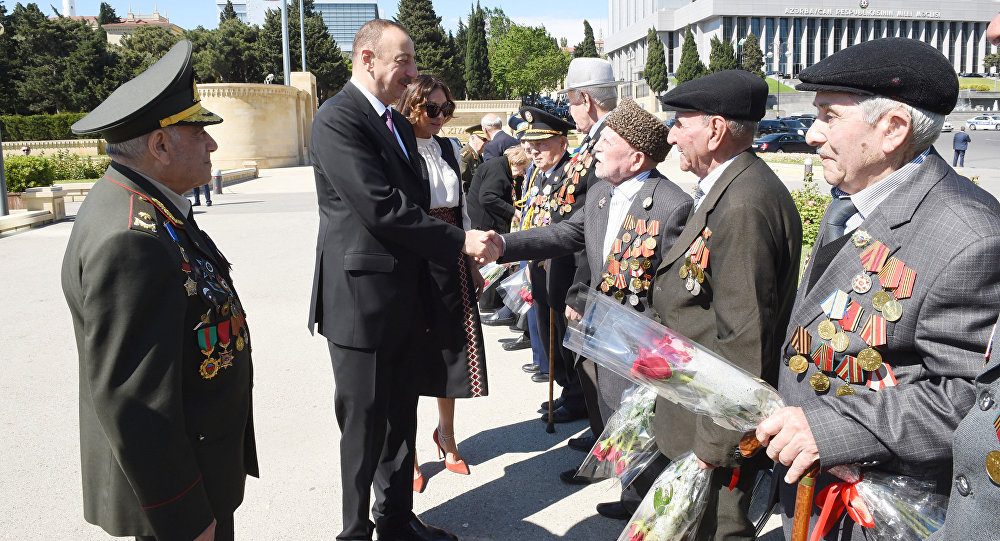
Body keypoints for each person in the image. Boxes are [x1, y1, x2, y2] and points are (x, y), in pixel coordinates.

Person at [753, 38, 1000, 541]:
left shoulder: (970, 237)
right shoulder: (854, 194)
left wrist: (830, 430)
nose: (812, 134)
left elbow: (968, 401)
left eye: (828, 115)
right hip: (810, 482)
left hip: (881, 505)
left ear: (892, 130)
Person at [307, 19, 496, 541]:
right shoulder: (337, 119)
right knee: (364, 428)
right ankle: (354, 531)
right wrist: (458, 241)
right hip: (361, 305)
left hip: (403, 299)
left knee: (399, 421)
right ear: (367, 59)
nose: (412, 73)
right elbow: (382, 207)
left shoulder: (391, 121)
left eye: (413, 62)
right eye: (403, 61)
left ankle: (395, 522)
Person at [61, 39, 257, 541]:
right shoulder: (131, 237)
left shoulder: (143, 203)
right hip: (174, 497)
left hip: (196, 463)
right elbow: (135, 401)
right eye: (199, 132)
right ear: (161, 145)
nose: (212, 144)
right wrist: (187, 518)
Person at [471, 96, 692, 504]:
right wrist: (503, 243)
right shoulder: (602, 195)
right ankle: (630, 492)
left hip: (643, 342)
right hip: (603, 330)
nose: (596, 148)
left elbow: (676, 291)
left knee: (645, 423)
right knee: (612, 412)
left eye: (607, 141)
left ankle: (643, 502)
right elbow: (565, 235)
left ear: (637, 157)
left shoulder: (672, 204)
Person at [648, 69, 803, 535]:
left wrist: (713, 447)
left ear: (714, 129)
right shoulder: (729, 187)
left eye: (679, 122)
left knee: (717, 530)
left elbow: (744, 340)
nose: (670, 135)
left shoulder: (743, 204)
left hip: (714, 429)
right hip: (697, 410)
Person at [395, 74, 489, 492]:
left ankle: (446, 436)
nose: (440, 116)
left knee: (450, 348)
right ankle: (409, 450)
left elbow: (463, 208)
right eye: (431, 108)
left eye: (445, 109)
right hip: (415, 256)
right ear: (411, 105)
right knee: (412, 353)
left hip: (451, 252)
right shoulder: (397, 149)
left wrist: (470, 260)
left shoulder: (449, 147)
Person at [554, 56, 622, 463]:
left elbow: (595, 230)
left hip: (592, 275)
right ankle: (601, 438)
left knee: (601, 373)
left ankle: (607, 448)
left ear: (584, 98)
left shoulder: (610, 139)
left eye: (571, 102)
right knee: (589, 368)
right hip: (581, 270)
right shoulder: (594, 136)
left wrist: (580, 291)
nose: (569, 110)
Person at [459, 125, 487, 193]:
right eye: (484, 139)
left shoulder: (478, 155)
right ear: (473, 138)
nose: (486, 143)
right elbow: (462, 186)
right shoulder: (465, 157)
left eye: (487, 140)